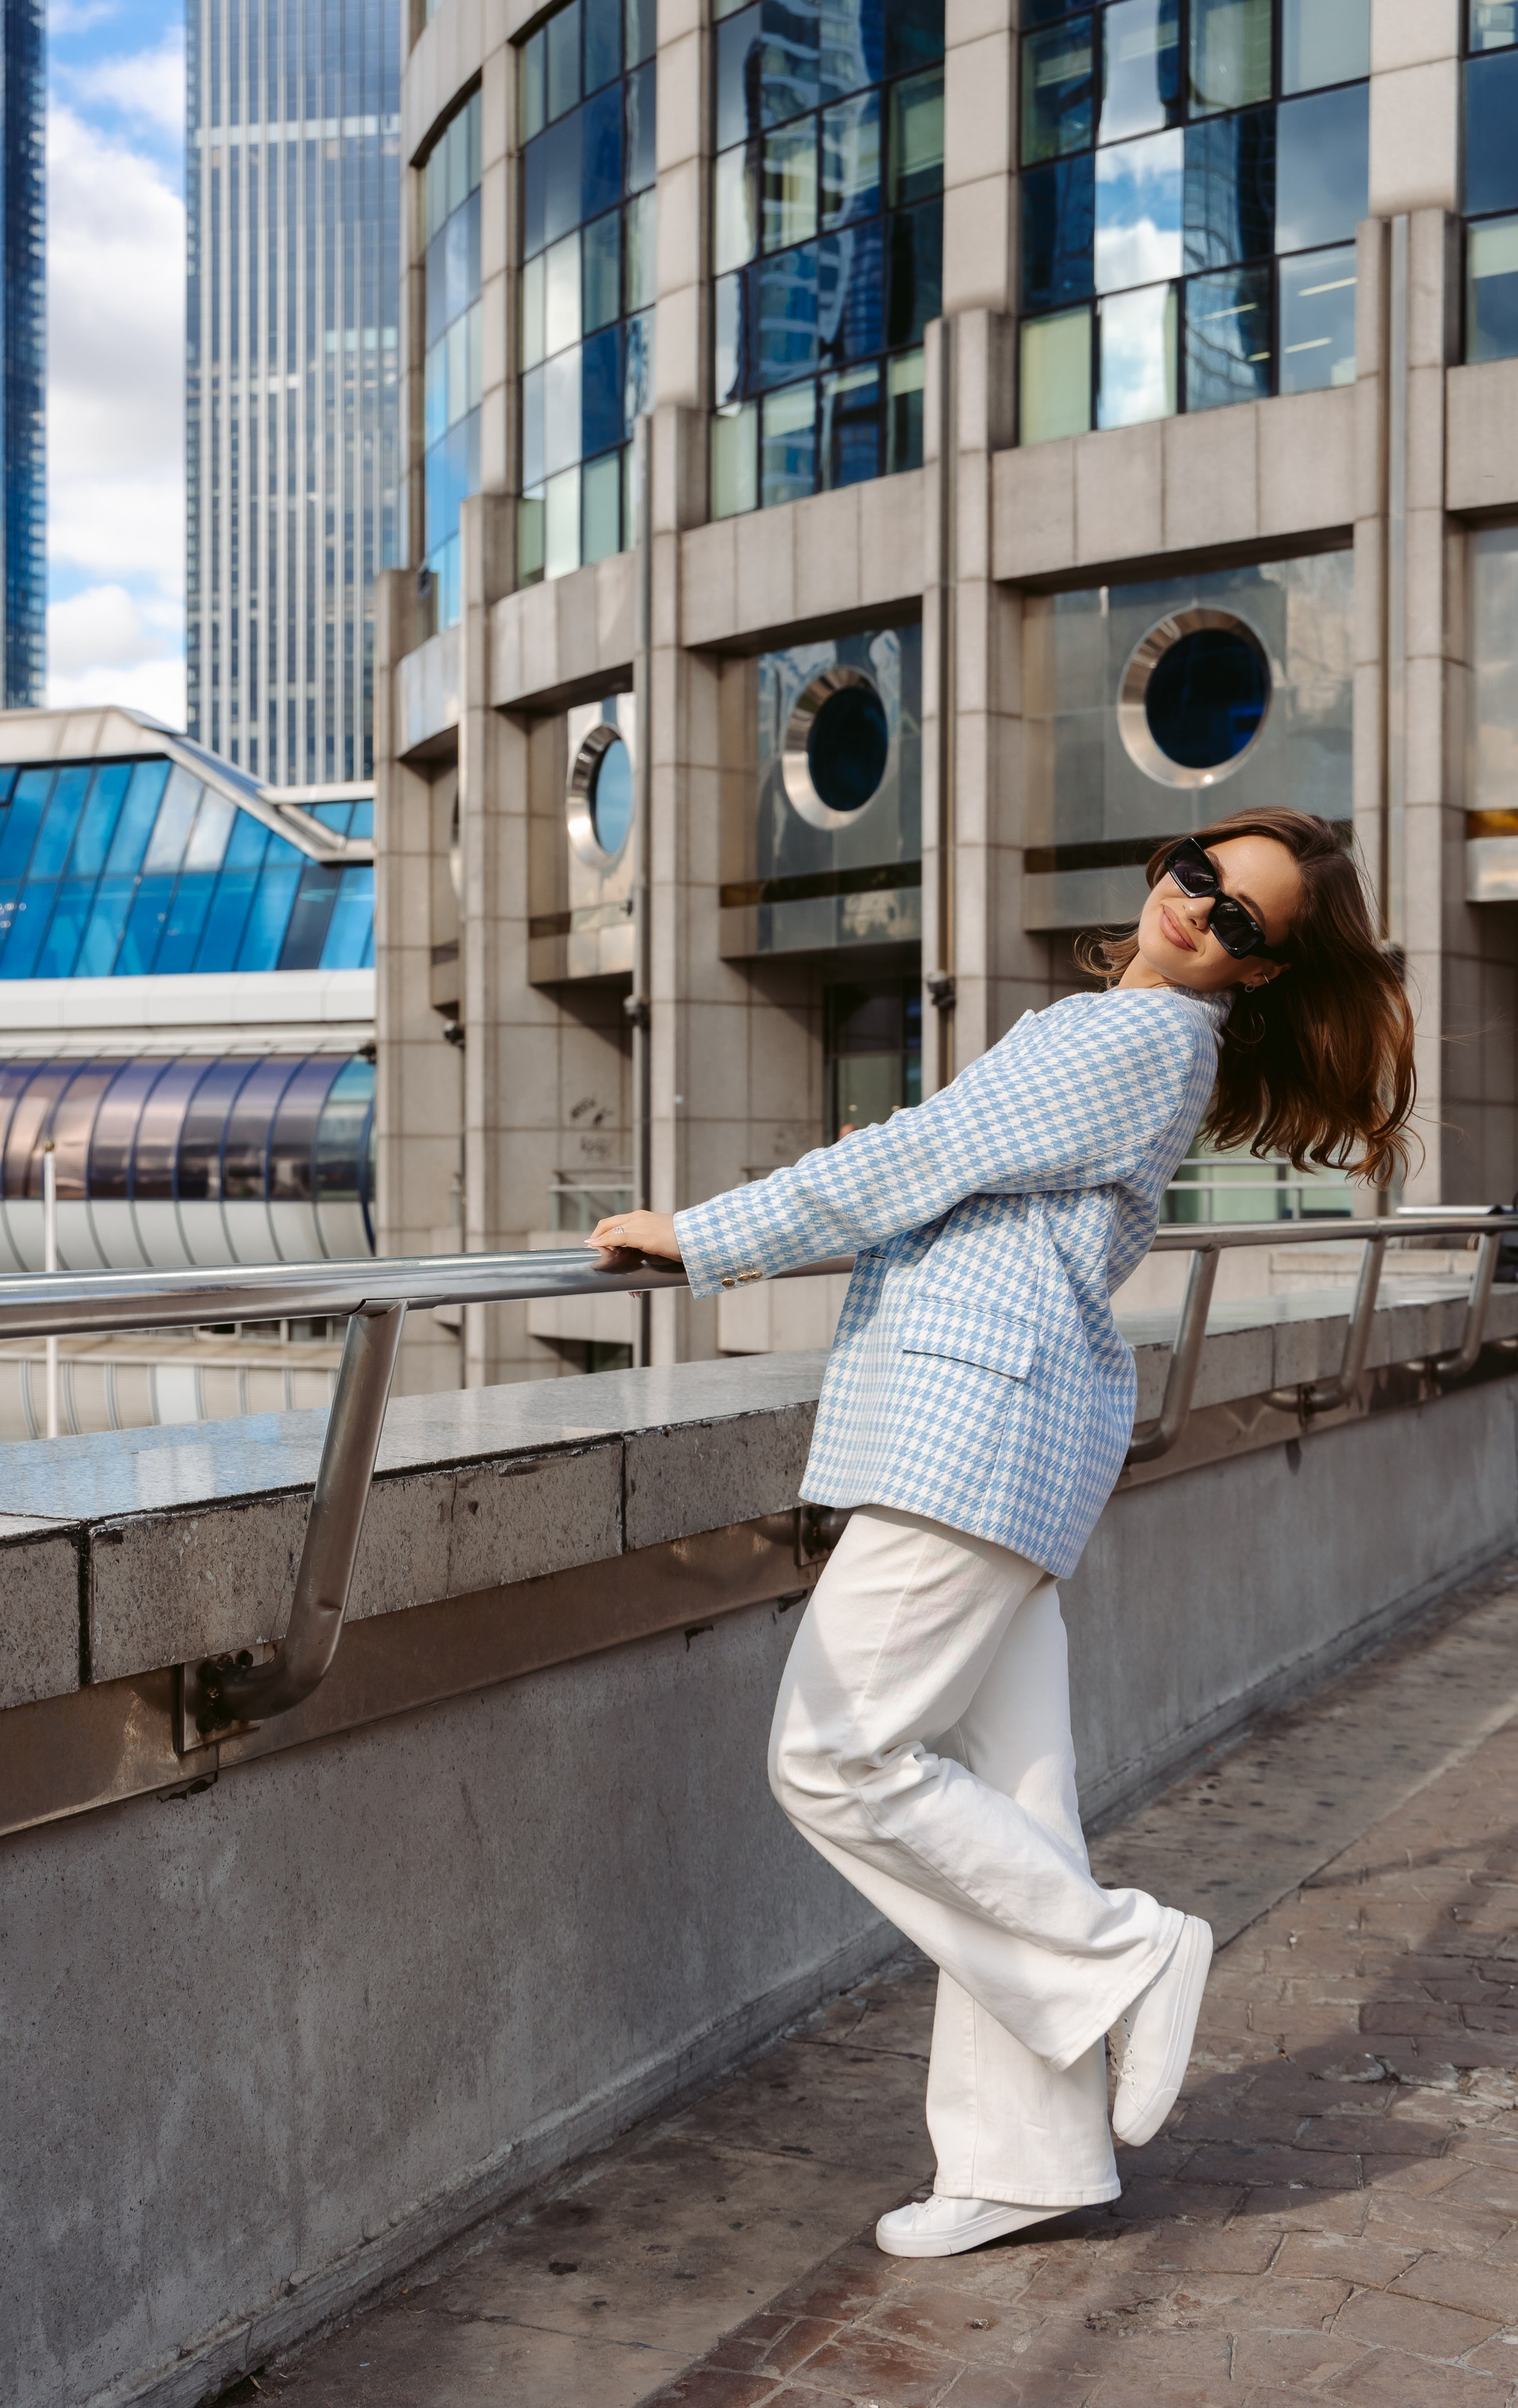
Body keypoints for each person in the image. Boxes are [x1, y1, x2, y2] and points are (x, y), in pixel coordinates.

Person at [587, 807, 1415, 2259]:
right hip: (1018, 1431)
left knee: (833, 1755)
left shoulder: (1124, 1036)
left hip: (971, 1431)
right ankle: (1029, 2160)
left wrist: (702, 1236)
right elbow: (956, 1174)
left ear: (1260, 969)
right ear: (1164, 864)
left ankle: (1123, 1955)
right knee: (1011, 1811)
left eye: (1236, 919)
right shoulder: (1145, 1040)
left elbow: (914, 1159)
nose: (1196, 909)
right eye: (1197, 875)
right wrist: (910, 1170)